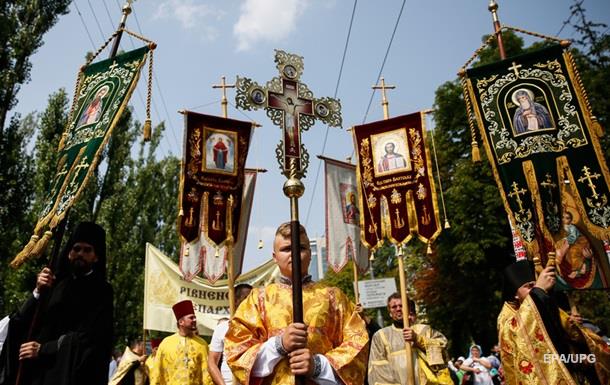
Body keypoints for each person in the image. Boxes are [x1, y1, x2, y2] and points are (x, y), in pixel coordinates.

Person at [224, 222, 369, 385]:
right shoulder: (258, 300)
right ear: (275, 257)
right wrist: (279, 345)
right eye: (286, 249)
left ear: (309, 252)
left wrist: (317, 367)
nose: (293, 254)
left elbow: (358, 346)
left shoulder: (334, 298)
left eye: (300, 248)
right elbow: (237, 354)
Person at [0, 222, 113, 385]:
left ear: (96, 257)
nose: (80, 253)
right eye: (76, 249)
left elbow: (90, 340)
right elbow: (20, 321)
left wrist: (43, 350)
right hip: (35, 375)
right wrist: (38, 292)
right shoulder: (54, 284)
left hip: (67, 376)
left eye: (87, 250)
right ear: (69, 253)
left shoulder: (102, 291)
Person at [497, 260, 610, 385]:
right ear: (515, 294)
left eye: (536, 285)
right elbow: (520, 337)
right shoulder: (507, 318)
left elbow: (567, 346)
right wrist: (538, 291)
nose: (535, 289)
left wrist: (581, 358)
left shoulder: (546, 306)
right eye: (529, 286)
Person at [368, 294, 452, 385]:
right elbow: (378, 369)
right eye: (394, 307)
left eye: (402, 305)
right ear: (390, 313)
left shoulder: (424, 330)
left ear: (408, 309)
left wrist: (418, 339)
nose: (398, 309)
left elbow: (442, 349)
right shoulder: (380, 336)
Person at [151, 300, 212, 385]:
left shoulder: (202, 344)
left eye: (195, 317)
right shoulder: (166, 344)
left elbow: (207, 374)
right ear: (181, 322)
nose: (195, 320)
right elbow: (157, 372)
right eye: (191, 318)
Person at [208, 283, 253, 385]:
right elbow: (212, 362)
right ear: (235, 301)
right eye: (246, 298)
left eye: (253, 298)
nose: (251, 302)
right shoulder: (222, 328)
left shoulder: (260, 327)